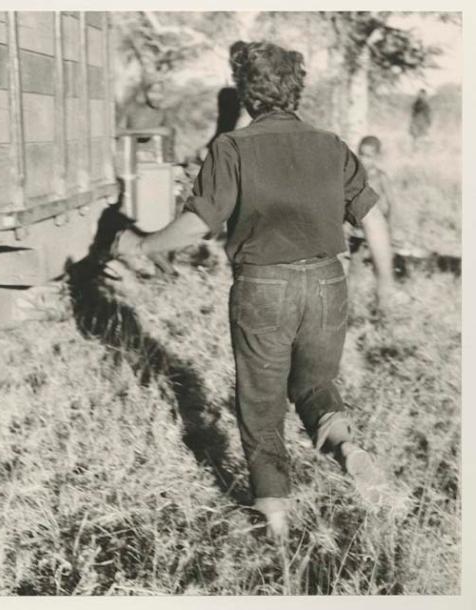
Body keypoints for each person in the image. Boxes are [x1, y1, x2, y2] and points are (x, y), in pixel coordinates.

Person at [110, 41, 398, 542]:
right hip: (329, 282)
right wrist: (386, 289)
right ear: (297, 89)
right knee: (314, 388)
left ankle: (275, 523)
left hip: (264, 286)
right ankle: (348, 450)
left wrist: (142, 245)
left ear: (246, 92)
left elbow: (198, 223)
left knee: (262, 404)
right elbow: (374, 220)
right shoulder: (331, 144)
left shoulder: (232, 148)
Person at [343, 135, 398, 275]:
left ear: (377, 157)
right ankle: (353, 292)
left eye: (368, 156)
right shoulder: (354, 175)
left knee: (380, 264)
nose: (363, 159)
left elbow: (392, 204)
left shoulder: (380, 177)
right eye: (361, 154)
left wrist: (390, 229)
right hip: (356, 225)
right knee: (354, 262)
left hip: (376, 226)